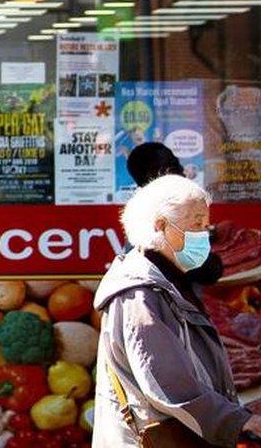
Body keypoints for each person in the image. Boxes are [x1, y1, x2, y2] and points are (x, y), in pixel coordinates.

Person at [93, 175, 261, 447]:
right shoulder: (141, 294)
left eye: (206, 225)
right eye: (197, 224)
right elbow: (167, 382)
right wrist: (236, 421)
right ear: (160, 226)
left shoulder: (171, 283)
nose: (205, 235)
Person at [126, 142, 224, 285]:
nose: (182, 171)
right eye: (174, 167)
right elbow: (207, 270)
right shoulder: (155, 216)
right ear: (156, 175)